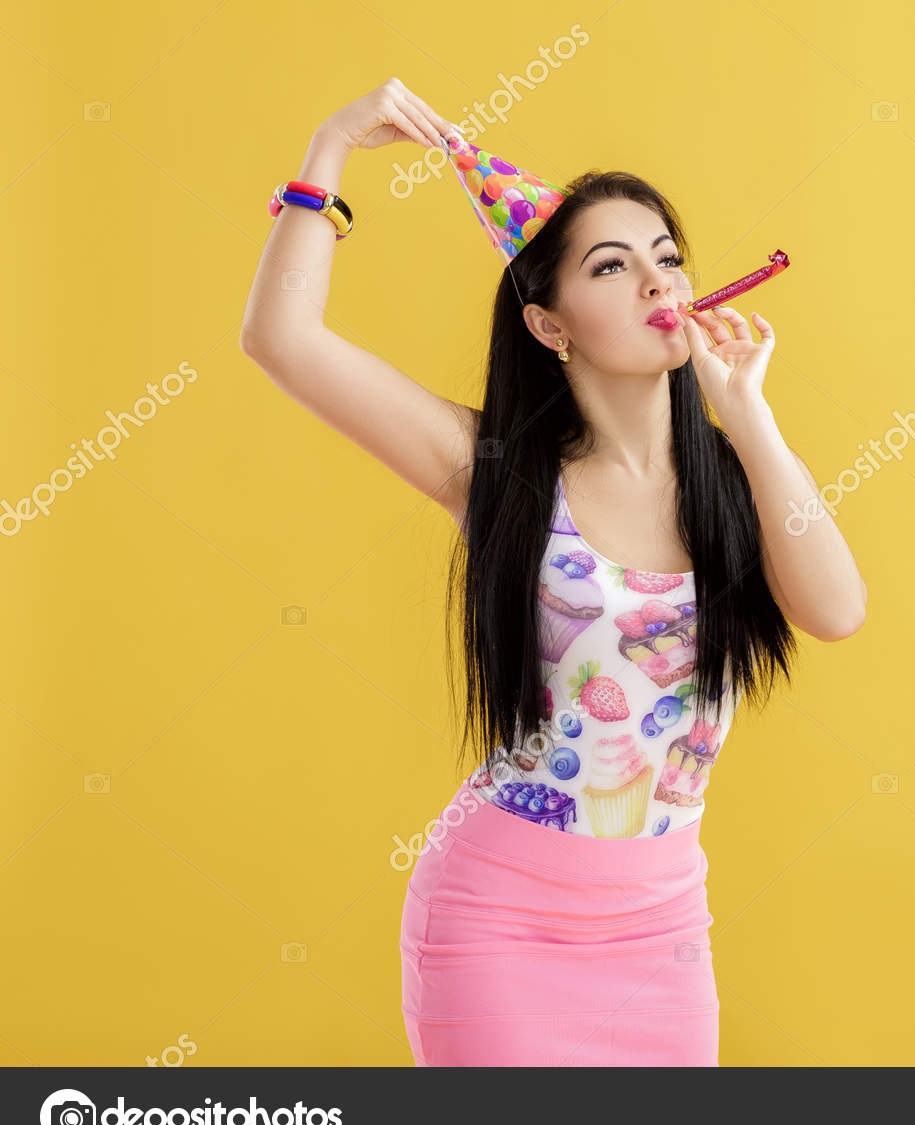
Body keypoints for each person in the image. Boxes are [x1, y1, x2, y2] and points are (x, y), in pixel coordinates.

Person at [240, 79, 867, 1066]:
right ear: (549, 326)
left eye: (667, 258)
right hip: (499, 926)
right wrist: (331, 147)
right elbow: (282, 340)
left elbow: (835, 610)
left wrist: (750, 417)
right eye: (612, 266)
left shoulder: (738, 480)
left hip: (664, 932)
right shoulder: (497, 471)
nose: (657, 282)